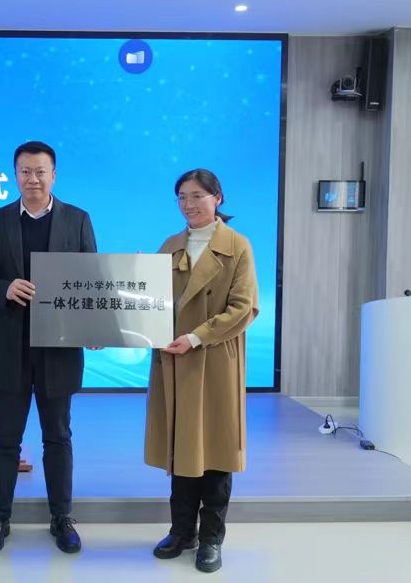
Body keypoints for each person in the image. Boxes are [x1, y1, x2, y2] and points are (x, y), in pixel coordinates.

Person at [0, 140, 97, 555]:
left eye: (41, 171)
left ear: (53, 175)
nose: (33, 179)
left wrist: (93, 327)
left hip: (59, 348)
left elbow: (91, 281)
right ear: (15, 175)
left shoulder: (77, 220)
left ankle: (62, 518)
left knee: (57, 436)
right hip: (11, 346)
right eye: (25, 171)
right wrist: (4, 288)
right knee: (6, 438)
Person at [144, 168, 258, 574]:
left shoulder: (237, 246)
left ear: (217, 198)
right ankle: (181, 532)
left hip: (213, 359)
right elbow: (145, 301)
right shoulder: (169, 246)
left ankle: (211, 538)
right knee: (182, 450)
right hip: (173, 362)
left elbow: (244, 307)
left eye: (197, 196)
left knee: (215, 451)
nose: (188, 204)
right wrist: (114, 329)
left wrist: (195, 337)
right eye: (182, 197)